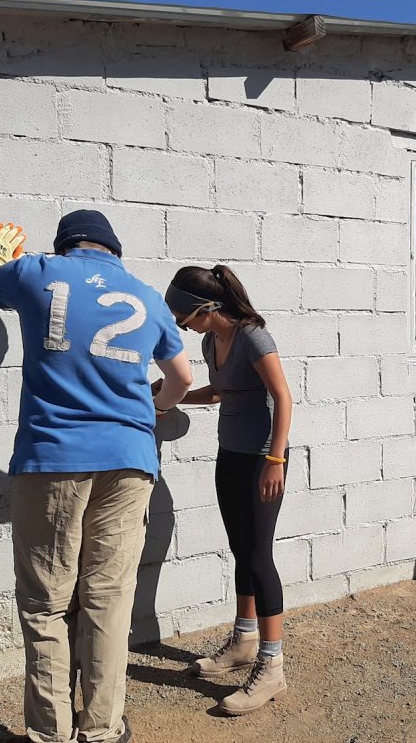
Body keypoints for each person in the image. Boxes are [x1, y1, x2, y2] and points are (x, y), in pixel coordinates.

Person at [0, 213, 193, 743]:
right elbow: (182, 378)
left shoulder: (38, 272)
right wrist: (149, 412)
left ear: (65, 245)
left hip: (52, 458)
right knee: (108, 598)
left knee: (45, 603)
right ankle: (104, 729)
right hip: (130, 460)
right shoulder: (147, 296)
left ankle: (51, 733)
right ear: (113, 250)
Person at [156, 264, 292, 715]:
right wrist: (163, 394)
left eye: (185, 319)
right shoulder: (211, 340)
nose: (183, 327)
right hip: (230, 453)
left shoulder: (253, 336)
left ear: (207, 309)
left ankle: (271, 668)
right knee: (240, 550)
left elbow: (284, 397)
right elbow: (218, 392)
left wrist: (275, 459)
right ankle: (245, 641)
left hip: (261, 459)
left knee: (259, 556)